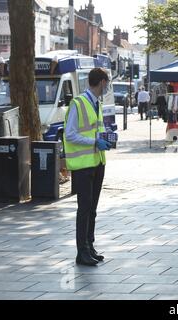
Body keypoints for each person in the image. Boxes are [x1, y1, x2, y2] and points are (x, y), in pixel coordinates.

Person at [63, 68, 112, 266]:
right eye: (107, 83)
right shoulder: (78, 103)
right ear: (101, 82)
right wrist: (94, 142)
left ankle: (89, 246)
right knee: (84, 208)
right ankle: (81, 251)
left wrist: (105, 139)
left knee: (92, 208)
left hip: (97, 162)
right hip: (83, 165)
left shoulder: (96, 103)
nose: (107, 86)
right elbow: (70, 134)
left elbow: (95, 130)